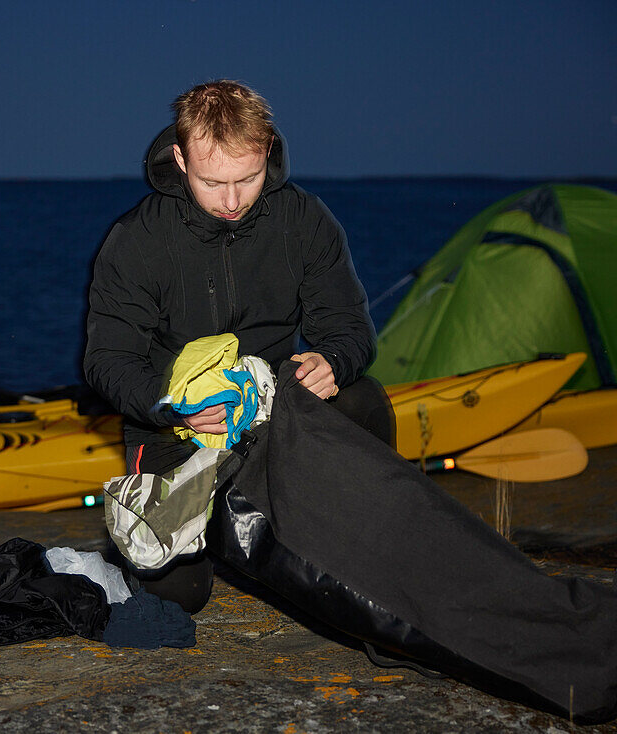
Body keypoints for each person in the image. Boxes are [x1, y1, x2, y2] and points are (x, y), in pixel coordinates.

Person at [84, 80, 393, 612]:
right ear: (180, 159)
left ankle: (369, 553)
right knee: (178, 598)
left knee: (365, 400)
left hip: (269, 413)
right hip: (176, 430)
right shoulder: (136, 240)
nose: (231, 201)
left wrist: (333, 360)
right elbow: (106, 361)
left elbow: (349, 325)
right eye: (212, 182)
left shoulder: (305, 220)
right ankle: (216, 536)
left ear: (267, 152)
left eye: (247, 179)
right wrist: (169, 403)